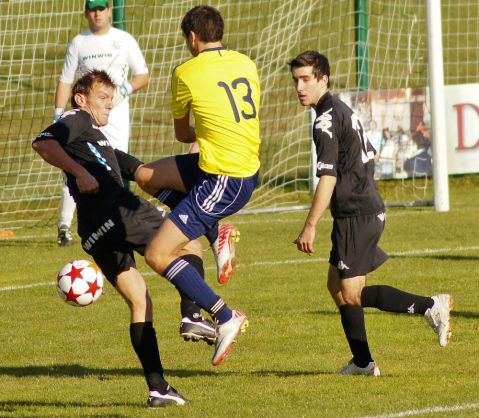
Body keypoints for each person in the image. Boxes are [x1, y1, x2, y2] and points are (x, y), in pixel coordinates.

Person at [32, 70, 247, 407]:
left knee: (140, 301)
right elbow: (43, 143)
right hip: (119, 212)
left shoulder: (96, 141)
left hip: (93, 232)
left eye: (111, 98)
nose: (110, 105)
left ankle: (158, 388)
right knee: (186, 242)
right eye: (103, 98)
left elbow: (141, 172)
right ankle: (204, 314)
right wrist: (80, 173)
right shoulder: (76, 119)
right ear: (81, 98)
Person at [289, 51, 454, 376]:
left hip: (357, 214)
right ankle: (363, 362)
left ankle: (431, 306)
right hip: (360, 209)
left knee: (351, 292)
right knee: (336, 285)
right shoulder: (340, 109)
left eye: (306, 78)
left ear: (323, 78)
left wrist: (310, 226)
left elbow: (328, 177)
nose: (299, 86)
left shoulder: (325, 120)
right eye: (296, 80)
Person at [133, 5, 260, 366]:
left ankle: (224, 317)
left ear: (192, 37)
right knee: (146, 176)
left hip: (224, 178)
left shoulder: (185, 72)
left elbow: (182, 133)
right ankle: (218, 231)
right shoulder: (246, 63)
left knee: (158, 254)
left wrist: (204, 132)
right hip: (227, 166)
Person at [54, 0, 149, 247]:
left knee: (115, 165)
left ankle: (118, 217)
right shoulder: (79, 42)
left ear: (109, 11)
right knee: (77, 165)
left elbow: (142, 74)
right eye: (92, 9)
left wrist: (123, 91)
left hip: (115, 116)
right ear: (86, 13)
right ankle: (65, 226)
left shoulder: (124, 39)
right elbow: (66, 80)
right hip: (86, 116)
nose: (97, 14)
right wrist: (58, 112)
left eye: (102, 9)